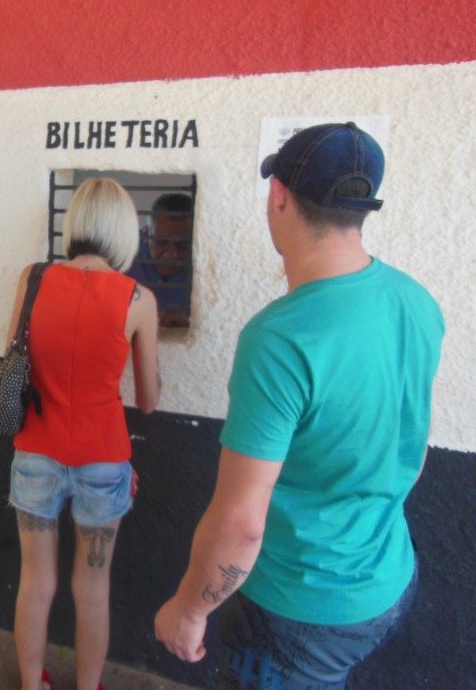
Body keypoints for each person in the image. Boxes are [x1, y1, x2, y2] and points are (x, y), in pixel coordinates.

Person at [154, 123, 443, 689]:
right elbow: (414, 443)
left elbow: (240, 524)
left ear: (278, 195)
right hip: (388, 580)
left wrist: (189, 610)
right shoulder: (416, 302)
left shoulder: (280, 338)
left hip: (299, 611)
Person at [6, 177, 161, 690]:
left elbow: (13, 362)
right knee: (92, 588)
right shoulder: (137, 298)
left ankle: (32, 684)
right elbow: (148, 399)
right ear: (124, 231)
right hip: (103, 457)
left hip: (34, 449)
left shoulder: (32, 278)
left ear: (74, 224)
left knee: (36, 582)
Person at [125, 193, 193, 327]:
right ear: (145, 234)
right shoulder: (123, 260)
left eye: (182, 245)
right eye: (161, 242)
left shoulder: (207, 265)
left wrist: (192, 322)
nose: (172, 254)